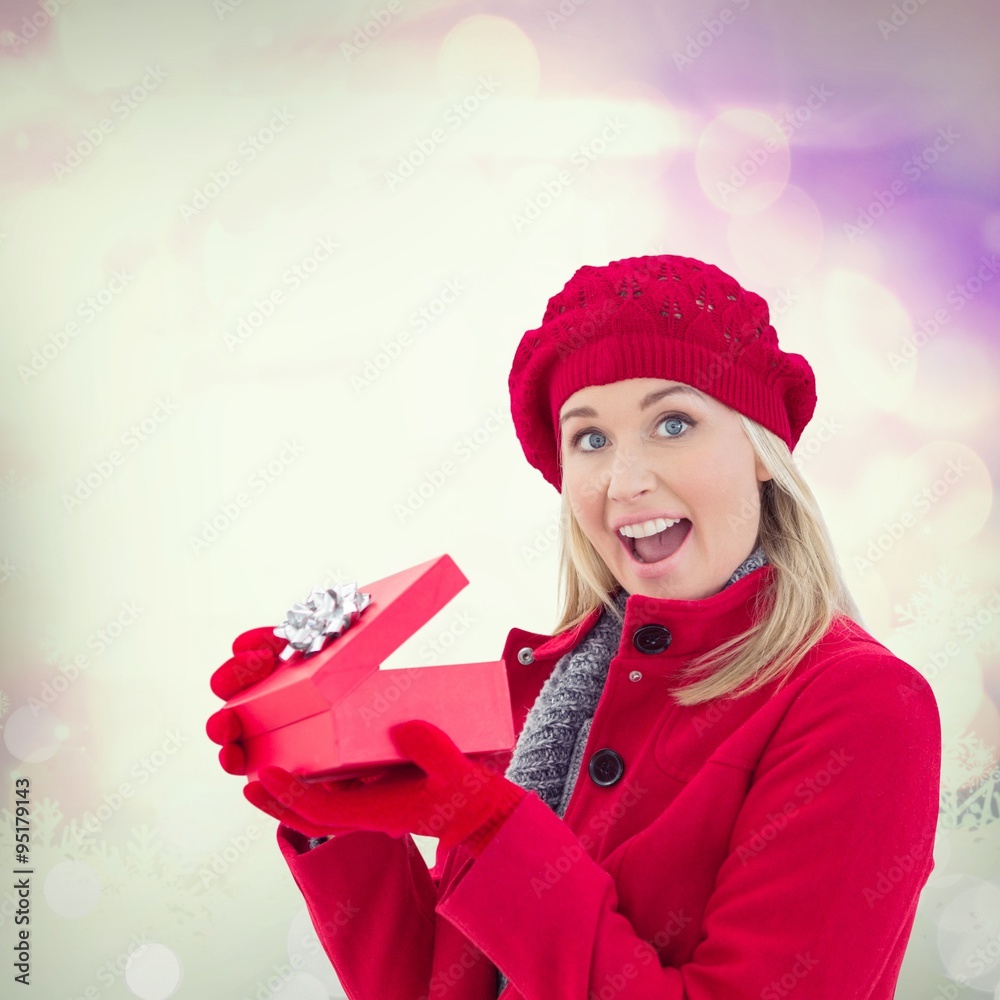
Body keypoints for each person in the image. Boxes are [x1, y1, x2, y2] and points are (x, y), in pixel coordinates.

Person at [206, 254, 942, 999]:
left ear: (760, 450)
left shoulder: (862, 704)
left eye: (674, 422)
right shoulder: (549, 694)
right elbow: (439, 987)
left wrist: (498, 834)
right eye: (590, 439)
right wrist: (341, 805)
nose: (625, 481)